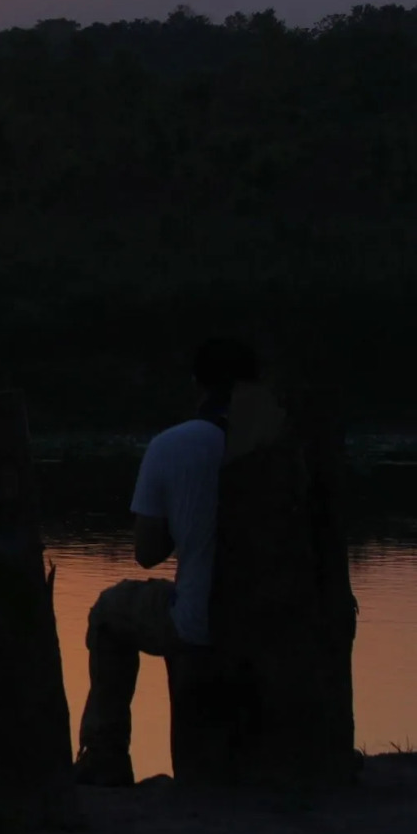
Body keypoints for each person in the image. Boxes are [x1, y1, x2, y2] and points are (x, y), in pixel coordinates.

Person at [73, 337, 263, 787]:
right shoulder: (284, 439)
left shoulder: (175, 444)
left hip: (200, 621)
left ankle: (105, 755)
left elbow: (147, 552)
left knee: (108, 611)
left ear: (197, 383)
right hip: (273, 617)